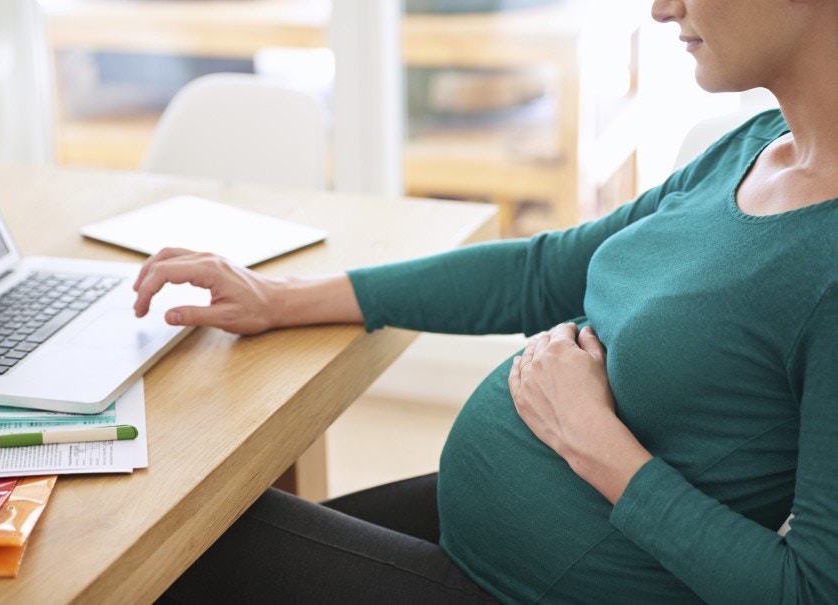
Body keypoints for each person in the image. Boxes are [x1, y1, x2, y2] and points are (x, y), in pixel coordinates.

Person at [135, 0, 838, 602]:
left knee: (165, 552)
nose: (659, 8)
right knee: (189, 530)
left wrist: (592, 441)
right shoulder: (756, 144)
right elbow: (546, 271)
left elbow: (809, 589)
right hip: (497, 537)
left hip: (541, 584)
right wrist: (279, 298)